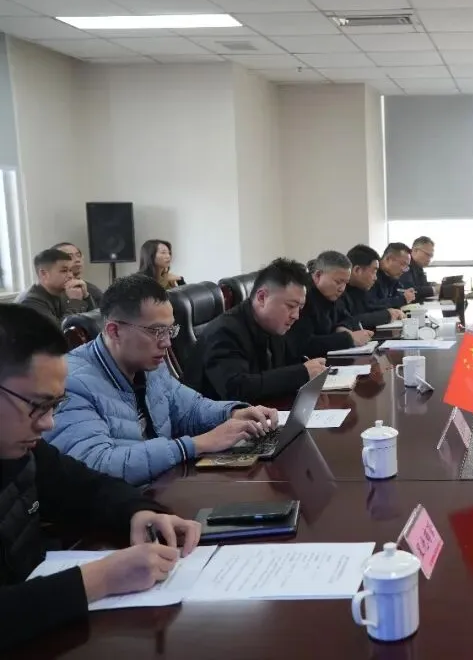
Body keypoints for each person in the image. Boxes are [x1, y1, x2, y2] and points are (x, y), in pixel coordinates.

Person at [0, 304, 203, 651]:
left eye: (55, 405)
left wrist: (139, 512)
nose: (48, 423)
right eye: (37, 405)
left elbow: (87, 487)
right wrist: (101, 578)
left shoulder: (22, 450)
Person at [45, 274, 279, 485]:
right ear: (114, 331)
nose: (167, 343)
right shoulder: (70, 383)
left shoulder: (149, 365)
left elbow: (190, 409)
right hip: (115, 509)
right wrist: (195, 445)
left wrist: (233, 413)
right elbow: (96, 464)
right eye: (156, 331)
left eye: (170, 330)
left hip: (161, 487)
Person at [184, 258, 326, 404]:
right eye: (291, 306)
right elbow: (236, 389)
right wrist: (301, 373)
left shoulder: (273, 325)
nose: (296, 315)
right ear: (262, 297)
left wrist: (309, 368)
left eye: (300, 308)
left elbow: (283, 366)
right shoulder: (224, 332)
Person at [288, 251, 374, 356]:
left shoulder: (334, 294)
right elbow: (304, 344)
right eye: (338, 282)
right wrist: (348, 338)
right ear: (318, 276)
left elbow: (348, 317)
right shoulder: (303, 298)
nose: (342, 288)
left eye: (345, 283)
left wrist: (341, 327)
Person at [16, 248, 91, 325]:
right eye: (64, 271)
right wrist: (75, 302)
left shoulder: (63, 291)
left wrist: (86, 296)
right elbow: (59, 330)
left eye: (71, 270)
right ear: (43, 274)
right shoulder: (30, 302)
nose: (70, 275)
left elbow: (95, 320)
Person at [343, 244, 405, 330]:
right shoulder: (339, 290)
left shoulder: (359, 289)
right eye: (374, 272)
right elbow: (349, 321)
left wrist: (390, 311)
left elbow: (369, 308)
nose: (376, 278)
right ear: (357, 270)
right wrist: (387, 315)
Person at [52, 242, 103, 309]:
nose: (77, 260)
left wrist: (87, 298)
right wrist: (75, 301)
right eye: (70, 256)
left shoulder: (92, 290)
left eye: (78, 255)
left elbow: (103, 314)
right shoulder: (50, 293)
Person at [370, 243, 417, 310]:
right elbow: (372, 305)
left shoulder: (392, 276)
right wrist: (402, 299)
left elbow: (398, 294)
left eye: (407, 266)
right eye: (403, 264)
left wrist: (405, 295)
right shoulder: (371, 275)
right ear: (388, 259)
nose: (404, 270)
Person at [399, 236, 436, 301]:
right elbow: (409, 289)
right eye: (427, 254)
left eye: (431, 256)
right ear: (415, 250)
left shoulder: (418, 265)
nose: (429, 259)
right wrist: (435, 289)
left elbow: (422, 284)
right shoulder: (405, 262)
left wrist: (433, 285)